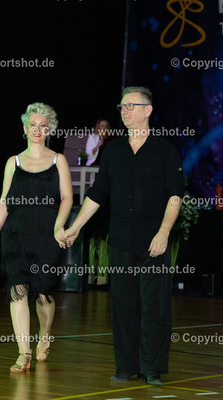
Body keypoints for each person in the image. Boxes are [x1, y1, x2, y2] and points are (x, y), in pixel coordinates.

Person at [60, 86, 183, 385]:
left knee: (154, 305)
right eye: (122, 106)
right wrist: (75, 227)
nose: (124, 111)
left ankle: (151, 367)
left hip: (153, 239)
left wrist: (164, 233)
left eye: (130, 106)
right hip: (120, 238)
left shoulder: (165, 150)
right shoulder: (113, 151)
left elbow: (175, 195)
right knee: (123, 304)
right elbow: (97, 194)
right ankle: (126, 366)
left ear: (147, 110)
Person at [0, 102, 73, 373]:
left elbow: (67, 198)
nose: (37, 129)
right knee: (18, 291)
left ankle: (45, 334)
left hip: (47, 234)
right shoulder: (12, 162)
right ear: (24, 128)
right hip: (15, 233)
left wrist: (59, 226)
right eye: (32, 125)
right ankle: (23, 352)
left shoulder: (58, 160)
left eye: (42, 126)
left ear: (49, 130)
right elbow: (4, 202)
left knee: (43, 293)